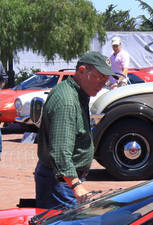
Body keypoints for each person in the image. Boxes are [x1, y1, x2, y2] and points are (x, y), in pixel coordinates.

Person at [35, 51, 115, 209]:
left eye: (106, 80)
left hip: (61, 180)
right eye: (100, 77)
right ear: (82, 71)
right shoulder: (67, 102)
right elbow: (60, 151)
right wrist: (76, 185)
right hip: (61, 182)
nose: (103, 84)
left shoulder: (75, 93)